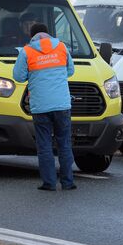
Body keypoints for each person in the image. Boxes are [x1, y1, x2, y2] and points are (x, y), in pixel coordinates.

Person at [13, 23, 76, 191]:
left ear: (32, 36)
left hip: (41, 106)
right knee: (64, 143)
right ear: (48, 34)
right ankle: (68, 182)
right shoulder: (61, 47)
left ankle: (49, 183)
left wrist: (34, 74)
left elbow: (18, 77)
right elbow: (70, 71)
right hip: (62, 104)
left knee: (45, 145)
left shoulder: (27, 51)